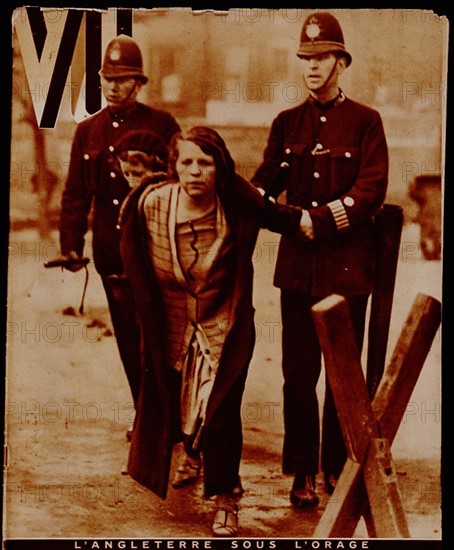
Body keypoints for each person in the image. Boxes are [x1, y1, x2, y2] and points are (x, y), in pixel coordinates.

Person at [117, 126, 304, 536]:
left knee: (221, 411)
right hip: (173, 321)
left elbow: (284, 219)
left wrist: (324, 223)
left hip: (226, 321)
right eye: (187, 162)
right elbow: (129, 249)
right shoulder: (151, 205)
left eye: (206, 163)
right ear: (174, 167)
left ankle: (225, 497)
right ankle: (192, 451)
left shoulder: (237, 206)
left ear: (220, 169)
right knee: (180, 402)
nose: (196, 171)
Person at [251, 12, 389, 507]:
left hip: (348, 270)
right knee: (298, 374)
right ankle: (303, 471)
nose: (312, 66)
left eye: (322, 57)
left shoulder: (366, 122)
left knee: (341, 378)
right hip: (298, 273)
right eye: (305, 58)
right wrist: (252, 201)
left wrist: (319, 221)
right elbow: (264, 185)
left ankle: (337, 467)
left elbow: (370, 189)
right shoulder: (287, 124)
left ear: (341, 62)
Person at [59, 35, 180, 411]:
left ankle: (169, 417)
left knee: (160, 337)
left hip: (153, 251)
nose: (114, 86)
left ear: (140, 83)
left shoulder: (162, 124)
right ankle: (146, 418)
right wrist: (72, 246)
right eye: (108, 78)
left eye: (123, 78)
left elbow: (180, 188)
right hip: (111, 254)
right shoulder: (88, 130)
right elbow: (76, 194)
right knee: (128, 338)